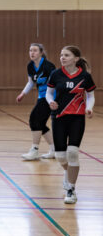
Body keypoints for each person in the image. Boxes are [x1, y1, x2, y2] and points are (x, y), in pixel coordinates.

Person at [46, 45, 96, 204]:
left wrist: (89, 108)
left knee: (73, 153)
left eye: (66, 55)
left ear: (76, 59)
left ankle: (71, 189)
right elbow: (48, 93)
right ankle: (68, 173)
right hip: (59, 117)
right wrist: (50, 101)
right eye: (61, 55)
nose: (62, 57)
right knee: (61, 156)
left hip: (77, 118)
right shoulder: (56, 74)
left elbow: (90, 95)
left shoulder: (85, 76)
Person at [16, 43, 56, 160]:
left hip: (50, 97)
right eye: (30, 50)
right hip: (41, 97)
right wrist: (23, 93)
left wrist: (54, 100)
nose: (32, 53)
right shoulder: (30, 66)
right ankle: (54, 150)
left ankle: (34, 150)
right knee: (40, 124)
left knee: (34, 120)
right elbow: (30, 82)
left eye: (35, 50)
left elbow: (56, 82)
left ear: (41, 53)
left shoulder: (49, 66)